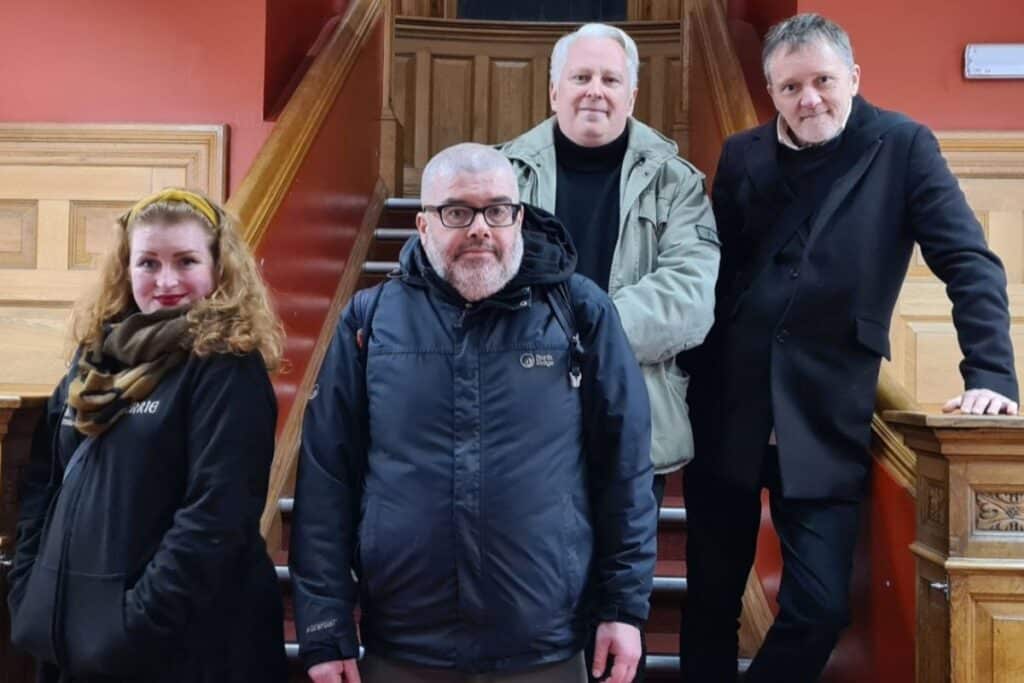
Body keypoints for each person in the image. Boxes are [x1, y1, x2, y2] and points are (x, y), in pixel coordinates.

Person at [680, 13, 1018, 683]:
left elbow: (971, 263)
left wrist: (991, 375)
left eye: (824, 82)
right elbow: (715, 275)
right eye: (790, 87)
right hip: (727, 406)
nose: (809, 100)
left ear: (854, 78)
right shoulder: (744, 152)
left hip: (827, 410)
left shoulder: (903, 146)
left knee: (820, 606)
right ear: (772, 90)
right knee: (712, 601)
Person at [290, 143, 657, 683]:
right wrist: (324, 626)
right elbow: (326, 481)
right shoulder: (370, 322)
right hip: (406, 642)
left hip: (544, 642)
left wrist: (623, 609)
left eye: (497, 210)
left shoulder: (579, 312)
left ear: (519, 218)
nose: (480, 227)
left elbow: (625, 470)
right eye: (456, 212)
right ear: (422, 225)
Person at [501, 25, 719, 681]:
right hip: (522, 416)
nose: (595, 91)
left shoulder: (676, 182)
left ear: (631, 92)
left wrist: (583, 325)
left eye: (609, 79)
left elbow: (690, 298)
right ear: (554, 89)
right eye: (581, 77)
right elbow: (473, 286)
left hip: (632, 420)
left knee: (618, 607)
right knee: (529, 592)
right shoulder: (501, 172)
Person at [7, 188, 288, 682]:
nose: (166, 281)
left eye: (186, 261)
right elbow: (42, 485)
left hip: (177, 648)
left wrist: (132, 623)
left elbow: (216, 518)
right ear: (125, 269)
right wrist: (28, 584)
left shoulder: (226, 365)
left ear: (220, 269)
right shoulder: (94, 358)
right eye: (148, 263)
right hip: (73, 638)